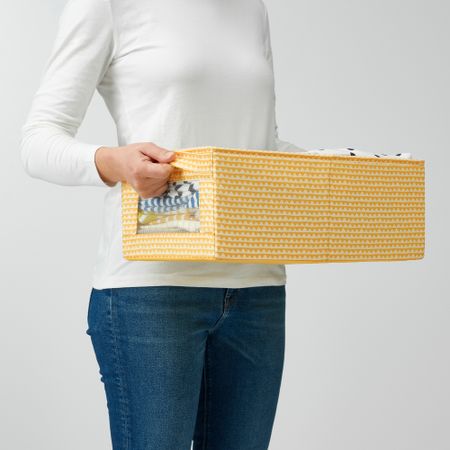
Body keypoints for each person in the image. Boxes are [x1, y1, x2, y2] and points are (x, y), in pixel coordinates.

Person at [20, 0, 305, 448]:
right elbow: (38, 141)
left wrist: (338, 168)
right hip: (152, 290)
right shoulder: (107, 5)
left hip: (256, 284)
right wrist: (115, 162)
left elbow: (260, 143)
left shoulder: (250, 8)